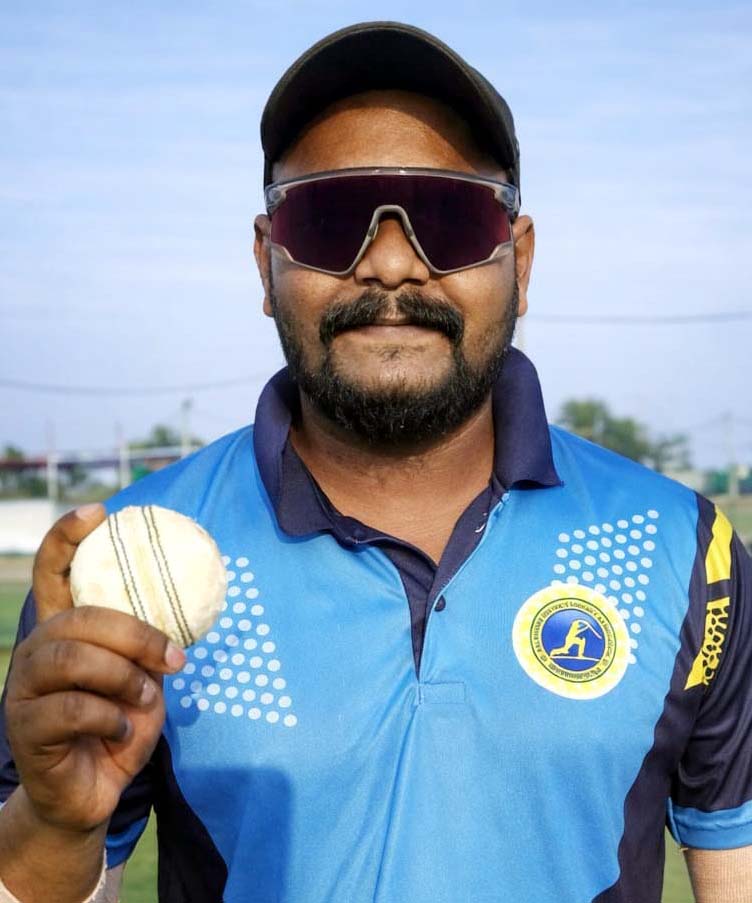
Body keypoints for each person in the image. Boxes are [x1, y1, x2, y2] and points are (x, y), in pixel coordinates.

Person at [0, 21, 750, 903]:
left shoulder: (682, 547)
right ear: (266, 261)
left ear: (520, 257)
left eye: (450, 217)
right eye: (328, 220)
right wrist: (53, 827)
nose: (391, 265)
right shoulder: (125, 562)